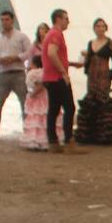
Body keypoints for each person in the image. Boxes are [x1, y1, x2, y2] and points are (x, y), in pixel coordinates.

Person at [75, 17, 112, 145]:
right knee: (91, 100)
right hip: (92, 75)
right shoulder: (90, 43)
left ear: (106, 28)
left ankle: (106, 135)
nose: (100, 28)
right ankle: (90, 135)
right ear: (94, 28)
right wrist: (84, 57)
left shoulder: (110, 43)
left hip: (104, 74)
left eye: (102, 26)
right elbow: (87, 62)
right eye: (98, 26)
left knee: (103, 100)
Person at [0, 10, 32, 141]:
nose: (4, 22)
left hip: (18, 73)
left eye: (7, 19)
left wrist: (16, 58)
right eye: (2, 19)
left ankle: (29, 130)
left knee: (24, 102)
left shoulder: (21, 36)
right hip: (2, 74)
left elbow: (29, 52)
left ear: (12, 20)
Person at [40, 9, 80, 152]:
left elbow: (54, 56)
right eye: (66, 18)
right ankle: (68, 141)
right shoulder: (56, 34)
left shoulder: (51, 34)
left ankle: (53, 142)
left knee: (54, 109)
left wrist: (71, 64)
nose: (68, 21)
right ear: (58, 19)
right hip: (57, 77)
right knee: (69, 107)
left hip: (50, 77)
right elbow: (52, 53)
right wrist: (63, 72)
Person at [20, 23, 50, 151]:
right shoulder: (34, 46)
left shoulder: (51, 43)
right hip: (37, 70)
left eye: (44, 29)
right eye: (40, 29)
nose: (42, 32)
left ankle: (45, 138)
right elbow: (30, 58)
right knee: (36, 113)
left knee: (44, 112)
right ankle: (35, 138)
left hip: (47, 73)